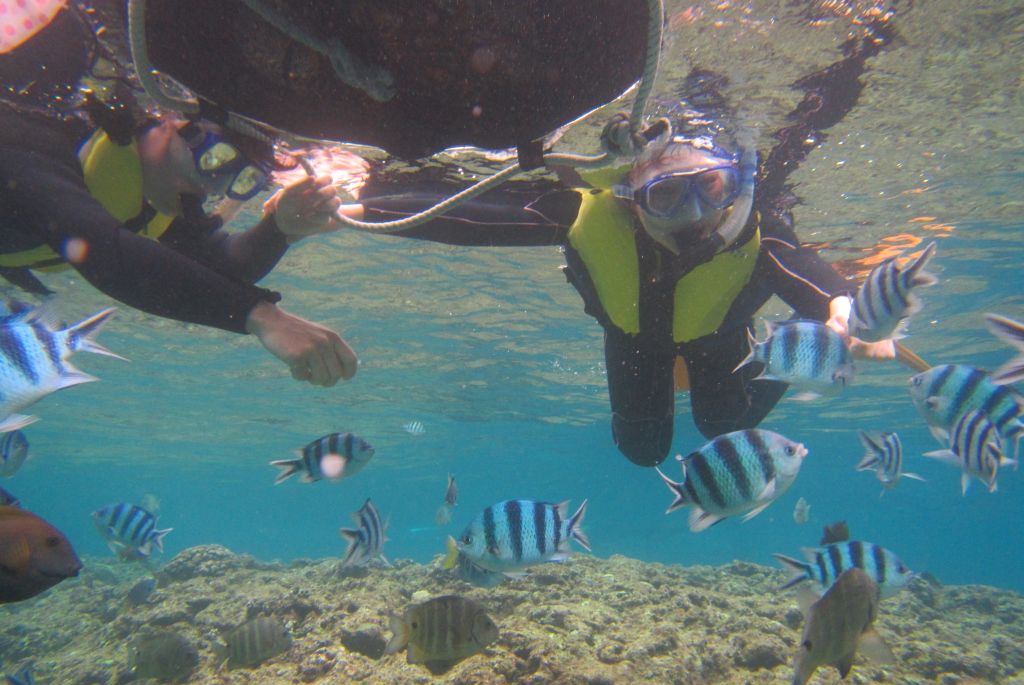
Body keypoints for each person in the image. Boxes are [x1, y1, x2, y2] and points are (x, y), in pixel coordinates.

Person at [335, 126, 895, 466]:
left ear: (734, 184)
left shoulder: (757, 229)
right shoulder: (587, 216)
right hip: (634, 342)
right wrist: (355, 208)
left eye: (711, 187)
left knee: (724, 427)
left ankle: (788, 349)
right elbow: (467, 217)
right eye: (666, 196)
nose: (694, 215)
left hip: (720, 337)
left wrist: (844, 311)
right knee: (642, 451)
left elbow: (806, 271)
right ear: (630, 196)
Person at [0, 84, 356, 387]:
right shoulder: (29, 143)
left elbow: (218, 267)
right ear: (169, 121)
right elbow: (107, 254)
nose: (208, 186)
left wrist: (278, 229)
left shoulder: (151, 192)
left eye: (240, 180)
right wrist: (263, 317)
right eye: (214, 158)